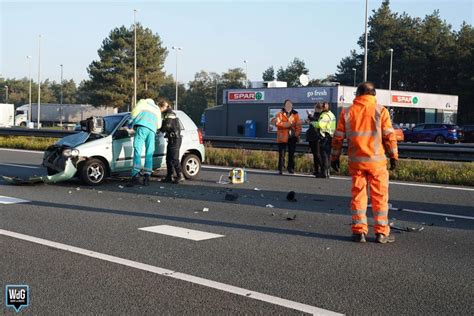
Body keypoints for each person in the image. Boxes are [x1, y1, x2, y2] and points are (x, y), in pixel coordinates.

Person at [331, 82, 398, 244]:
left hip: (357, 163)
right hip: (377, 163)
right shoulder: (380, 111)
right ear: (373, 94)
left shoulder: (347, 112)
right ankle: (382, 233)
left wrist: (334, 158)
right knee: (380, 197)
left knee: (358, 197)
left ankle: (359, 232)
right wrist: (393, 156)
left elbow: (338, 137)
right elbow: (389, 136)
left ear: (358, 94)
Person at [127, 98, 162, 187]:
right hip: (152, 130)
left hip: (142, 127)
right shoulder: (157, 108)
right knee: (149, 152)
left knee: (137, 149)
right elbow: (159, 125)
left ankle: (136, 175)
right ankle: (147, 176)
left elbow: (134, 112)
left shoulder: (143, 102)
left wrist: (130, 122)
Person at [158, 100, 185, 184]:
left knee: (174, 158)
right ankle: (169, 176)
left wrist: (160, 130)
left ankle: (180, 176)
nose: (159, 110)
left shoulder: (169, 113)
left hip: (175, 139)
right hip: (172, 139)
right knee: (168, 158)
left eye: (159, 108)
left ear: (162, 107)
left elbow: (168, 125)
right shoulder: (167, 113)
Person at [275, 99, 302, 175]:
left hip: (292, 137)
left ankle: (291, 168)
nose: (288, 106)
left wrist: (296, 134)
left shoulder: (295, 114)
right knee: (282, 154)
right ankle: (281, 169)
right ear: (284, 106)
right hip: (282, 136)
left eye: (290, 105)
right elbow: (278, 123)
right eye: (287, 104)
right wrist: (287, 124)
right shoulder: (280, 114)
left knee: (291, 154)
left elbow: (298, 126)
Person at [312, 102, 336, 178]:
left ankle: (324, 172)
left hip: (325, 136)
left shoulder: (325, 115)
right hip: (330, 136)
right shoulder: (331, 114)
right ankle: (327, 171)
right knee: (327, 155)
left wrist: (312, 123)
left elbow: (320, 124)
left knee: (324, 155)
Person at [305, 103, 322, 176]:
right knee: (315, 154)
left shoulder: (321, 115)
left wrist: (309, 116)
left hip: (317, 136)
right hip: (312, 136)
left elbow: (317, 122)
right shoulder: (315, 114)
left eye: (318, 108)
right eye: (316, 108)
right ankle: (316, 170)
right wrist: (308, 120)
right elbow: (313, 122)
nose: (316, 109)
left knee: (317, 154)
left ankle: (323, 169)